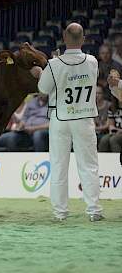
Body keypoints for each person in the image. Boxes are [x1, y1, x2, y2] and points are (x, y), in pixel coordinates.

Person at [31, 23, 103, 222]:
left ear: (64, 37)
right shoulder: (92, 61)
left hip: (60, 118)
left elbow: (43, 89)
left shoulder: (54, 65)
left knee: (59, 165)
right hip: (84, 117)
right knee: (89, 165)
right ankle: (94, 210)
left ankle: (60, 213)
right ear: (83, 39)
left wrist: (41, 73)